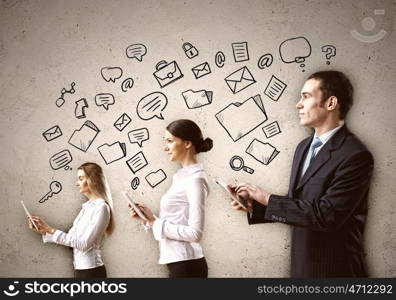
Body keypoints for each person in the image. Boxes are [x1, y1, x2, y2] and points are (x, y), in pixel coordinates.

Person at [230, 70, 374, 277]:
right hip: (302, 269)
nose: (298, 104)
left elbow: (326, 215)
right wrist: (256, 206)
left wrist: (268, 198)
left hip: (336, 272)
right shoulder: (303, 147)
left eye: (306, 97)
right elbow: (299, 203)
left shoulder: (356, 155)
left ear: (331, 103)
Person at [129, 119, 213, 278]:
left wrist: (156, 223)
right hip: (179, 263)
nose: (165, 147)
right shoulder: (181, 177)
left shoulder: (195, 180)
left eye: (170, 141)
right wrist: (149, 218)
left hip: (187, 266)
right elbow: (176, 220)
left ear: (187, 143)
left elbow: (195, 234)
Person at [28, 162, 114, 278]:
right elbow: (72, 240)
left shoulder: (102, 208)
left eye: (80, 179)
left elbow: (83, 244)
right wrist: (44, 231)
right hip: (80, 270)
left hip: (92, 272)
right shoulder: (87, 207)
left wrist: (51, 230)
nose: (76, 183)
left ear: (92, 180)